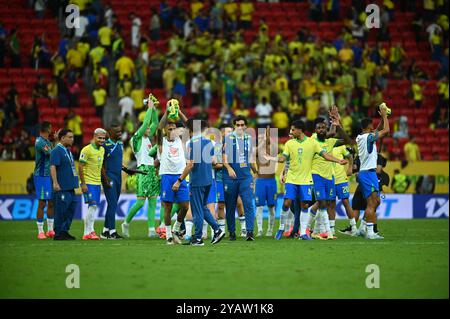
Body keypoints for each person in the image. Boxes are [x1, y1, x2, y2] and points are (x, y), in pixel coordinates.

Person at [264, 120, 348, 240]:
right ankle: (281, 228)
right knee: (287, 202)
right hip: (292, 178)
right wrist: (271, 158)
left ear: (300, 130)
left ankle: (303, 233)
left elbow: (325, 155)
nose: (291, 132)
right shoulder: (289, 143)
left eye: (293, 129)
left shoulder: (312, 143)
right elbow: (283, 159)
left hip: (306, 179)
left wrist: (338, 160)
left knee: (304, 205)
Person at [173, 119, 226, 246]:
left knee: (197, 210)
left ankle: (197, 238)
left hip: (197, 181)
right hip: (209, 180)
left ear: (190, 130)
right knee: (202, 207)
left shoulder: (191, 143)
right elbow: (214, 161)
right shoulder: (209, 142)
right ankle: (218, 230)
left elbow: (191, 164)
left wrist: (179, 180)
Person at [121, 95, 159, 238]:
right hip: (142, 170)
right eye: (147, 128)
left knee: (153, 201)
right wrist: (149, 108)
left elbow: (154, 122)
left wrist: (154, 108)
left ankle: (151, 230)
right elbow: (145, 124)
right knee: (140, 202)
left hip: (151, 171)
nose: (149, 128)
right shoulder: (135, 139)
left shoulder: (148, 139)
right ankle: (125, 222)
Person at [156, 99, 190, 244]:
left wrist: (179, 111)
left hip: (180, 176)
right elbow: (158, 128)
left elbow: (189, 125)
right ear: (165, 131)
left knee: (185, 206)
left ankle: (176, 227)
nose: (172, 131)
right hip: (167, 176)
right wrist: (167, 112)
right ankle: (169, 234)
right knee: (168, 207)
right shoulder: (161, 142)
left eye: (174, 129)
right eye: (169, 129)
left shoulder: (181, 141)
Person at [354, 107, 390, 239]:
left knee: (376, 202)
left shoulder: (362, 137)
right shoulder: (368, 137)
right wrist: (385, 116)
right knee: (371, 203)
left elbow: (377, 130)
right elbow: (386, 130)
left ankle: (363, 228)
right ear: (368, 126)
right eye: (372, 125)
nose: (374, 127)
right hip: (368, 174)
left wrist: (382, 118)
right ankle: (370, 233)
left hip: (368, 173)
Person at [222, 116, 258, 241]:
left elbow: (251, 158)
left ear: (246, 126)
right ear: (234, 126)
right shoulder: (228, 138)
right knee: (230, 205)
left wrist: (255, 171)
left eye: (243, 125)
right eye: (238, 125)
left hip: (245, 177)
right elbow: (224, 158)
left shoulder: (249, 139)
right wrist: (229, 168)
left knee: (248, 203)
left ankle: (249, 232)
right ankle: (232, 232)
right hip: (230, 177)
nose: (240, 127)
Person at [50, 129, 79, 240]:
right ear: (62, 138)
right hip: (62, 187)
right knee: (61, 211)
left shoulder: (67, 150)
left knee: (70, 210)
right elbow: (53, 167)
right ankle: (58, 234)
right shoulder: (57, 151)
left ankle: (64, 231)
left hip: (70, 186)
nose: (72, 139)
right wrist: (55, 183)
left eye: (72, 137)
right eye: (70, 137)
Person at [78, 128, 107, 240]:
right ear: (94, 137)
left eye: (103, 138)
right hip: (88, 182)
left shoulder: (102, 150)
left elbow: (100, 167)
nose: (102, 140)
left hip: (97, 183)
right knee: (93, 206)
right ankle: (88, 232)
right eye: (99, 138)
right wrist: (83, 183)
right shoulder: (86, 150)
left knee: (93, 207)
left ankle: (90, 231)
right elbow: (80, 167)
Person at [101, 123, 124, 239]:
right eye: (117, 132)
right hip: (109, 177)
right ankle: (112, 231)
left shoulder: (120, 144)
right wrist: (105, 178)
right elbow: (101, 164)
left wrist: (127, 169)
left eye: (120, 131)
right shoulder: (105, 145)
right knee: (113, 203)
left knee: (112, 204)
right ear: (110, 133)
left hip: (118, 177)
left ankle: (105, 231)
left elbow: (118, 162)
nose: (120, 133)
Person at [255, 126, 278, 237]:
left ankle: (270, 229)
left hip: (271, 181)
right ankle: (259, 230)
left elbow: (277, 149)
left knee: (271, 207)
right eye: (260, 138)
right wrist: (263, 140)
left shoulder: (272, 149)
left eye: (263, 137)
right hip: (260, 181)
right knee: (259, 206)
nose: (263, 139)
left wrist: (268, 137)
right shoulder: (257, 150)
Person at [33, 121, 55, 239]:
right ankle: (40, 231)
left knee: (51, 202)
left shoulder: (47, 142)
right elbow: (52, 154)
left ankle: (50, 230)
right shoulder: (40, 142)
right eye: (51, 128)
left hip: (50, 175)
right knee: (42, 202)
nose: (52, 130)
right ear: (47, 129)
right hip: (41, 176)